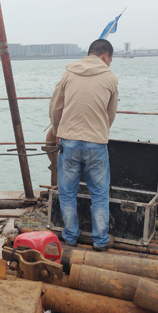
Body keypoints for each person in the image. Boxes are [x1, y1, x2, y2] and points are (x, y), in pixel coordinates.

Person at [49, 39, 118, 250]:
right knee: (99, 195)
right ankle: (100, 241)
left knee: (67, 193)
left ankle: (70, 237)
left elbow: (55, 107)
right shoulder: (110, 77)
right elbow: (110, 113)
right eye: (111, 59)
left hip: (69, 141)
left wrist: (57, 130)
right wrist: (101, 131)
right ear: (106, 56)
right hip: (96, 143)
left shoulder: (69, 73)